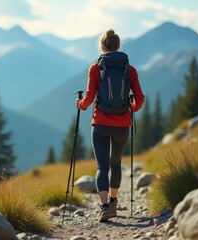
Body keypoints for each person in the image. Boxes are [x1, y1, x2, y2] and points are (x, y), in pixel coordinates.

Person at [76, 29, 145, 222]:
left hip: (100, 124)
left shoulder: (95, 68)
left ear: (102, 47)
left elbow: (89, 97)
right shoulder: (129, 70)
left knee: (102, 166)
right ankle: (114, 201)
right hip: (122, 125)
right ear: (118, 46)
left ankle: (104, 207)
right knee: (116, 164)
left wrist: (80, 105)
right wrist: (132, 107)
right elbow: (139, 99)